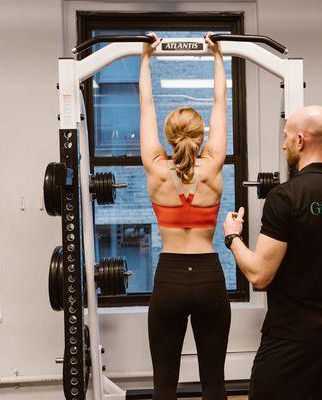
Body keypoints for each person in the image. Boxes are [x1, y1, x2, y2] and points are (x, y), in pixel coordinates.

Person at [223, 105, 322, 400]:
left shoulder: (285, 197)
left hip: (292, 336)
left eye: (287, 136)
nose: (283, 143)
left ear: (300, 140)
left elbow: (260, 277)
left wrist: (233, 237)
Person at [139, 32, 230, 400]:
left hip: (170, 279)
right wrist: (218, 56)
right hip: (209, 277)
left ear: (169, 135)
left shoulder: (157, 170)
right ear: (200, 134)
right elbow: (220, 103)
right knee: (214, 384)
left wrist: (146, 59)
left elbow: (146, 106)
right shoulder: (212, 167)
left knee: (163, 385)